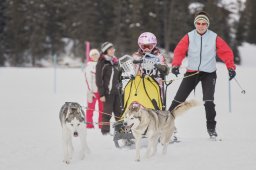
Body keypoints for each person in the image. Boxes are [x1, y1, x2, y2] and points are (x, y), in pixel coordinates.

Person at [168, 11, 236, 138]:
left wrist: (231, 68)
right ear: (195, 24)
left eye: (204, 23)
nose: (201, 26)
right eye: (198, 23)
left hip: (209, 73)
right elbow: (179, 51)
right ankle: (166, 125)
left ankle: (211, 129)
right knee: (178, 100)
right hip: (192, 72)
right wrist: (176, 65)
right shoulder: (189, 36)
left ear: (207, 25)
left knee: (208, 101)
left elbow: (226, 52)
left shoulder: (214, 37)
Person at [96, 42, 122, 135]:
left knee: (120, 113)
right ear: (106, 51)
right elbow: (99, 80)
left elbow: (119, 77)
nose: (113, 50)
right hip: (107, 93)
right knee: (107, 113)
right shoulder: (102, 63)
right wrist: (101, 94)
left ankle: (123, 132)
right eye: (110, 49)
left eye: (113, 49)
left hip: (117, 92)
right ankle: (105, 131)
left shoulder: (116, 62)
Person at [84, 49, 103, 129]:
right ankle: (89, 124)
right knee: (90, 109)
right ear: (90, 56)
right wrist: (90, 91)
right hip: (92, 92)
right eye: (93, 55)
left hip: (101, 92)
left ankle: (101, 124)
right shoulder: (89, 66)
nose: (95, 56)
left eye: (96, 54)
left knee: (102, 109)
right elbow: (88, 80)